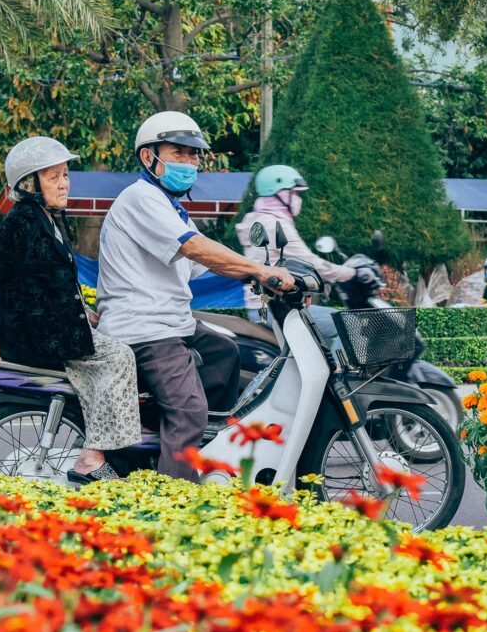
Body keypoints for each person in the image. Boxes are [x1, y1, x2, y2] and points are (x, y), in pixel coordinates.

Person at [96, 111, 294, 483]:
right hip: (144, 329)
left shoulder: (171, 206)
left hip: (171, 324)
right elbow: (198, 249)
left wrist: (261, 275)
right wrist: (257, 270)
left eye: (193, 154)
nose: (189, 162)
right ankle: (175, 501)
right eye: (179, 153)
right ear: (148, 157)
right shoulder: (141, 198)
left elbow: (210, 264)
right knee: (188, 409)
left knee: (226, 354)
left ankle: (183, 446)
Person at [0, 136, 141, 483]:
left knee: (113, 346)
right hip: (36, 337)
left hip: (54, 327)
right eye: (53, 176)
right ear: (30, 185)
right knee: (119, 356)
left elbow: (50, 277)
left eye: (65, 175)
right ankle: (93, 455)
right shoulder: (22, 222)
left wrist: (84, 310)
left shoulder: (51, 217)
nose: (64, 183)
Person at [235, 164, 367, 324]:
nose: (298, 198)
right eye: (295, 193)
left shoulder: (259, 220)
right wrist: (351, 273)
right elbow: (310, 263)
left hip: (262, 306)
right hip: (276, 308)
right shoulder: (274, 224)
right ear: (280, 194)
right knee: (351, 324)